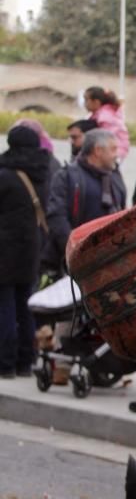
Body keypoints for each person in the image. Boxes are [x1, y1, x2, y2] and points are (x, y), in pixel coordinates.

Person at [0, 126, 52, 378]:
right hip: (32, 247)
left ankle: (5, 363)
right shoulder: (44, 171)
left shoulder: (5, 174)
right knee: (25, 304)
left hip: (5, 248)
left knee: (5, 305)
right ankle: (25, 361)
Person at [43, 129, 126, 274]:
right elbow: (57, 217)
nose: (117, 154)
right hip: (75, 265)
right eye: (113, 149)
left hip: (110, 262)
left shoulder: (114, 177)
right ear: (98, 151)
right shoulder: (66, 177)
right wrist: (75, 252)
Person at [84, 86, 130, 160]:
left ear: (96, 102)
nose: (84, 103)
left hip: (116, 150)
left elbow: (107, 136)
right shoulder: (99, 114)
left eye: (86, 100)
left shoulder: (105, 116)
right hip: (111, 149)